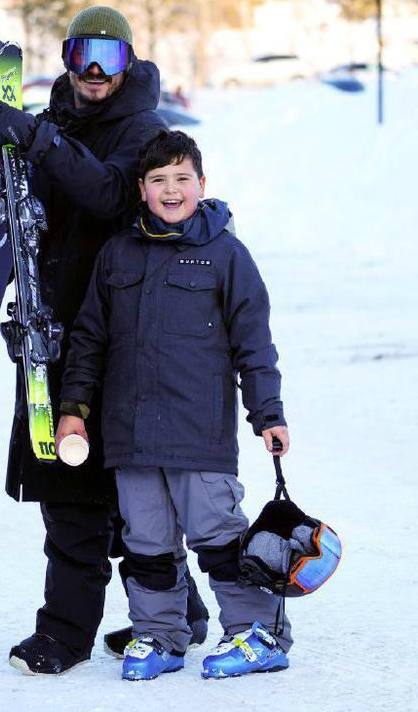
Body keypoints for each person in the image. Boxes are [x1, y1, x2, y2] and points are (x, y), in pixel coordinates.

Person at [0, 6, 209, 674]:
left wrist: (40, 142)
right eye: (84, 56)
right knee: (101, 487)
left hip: (118, 337)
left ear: (129, 62)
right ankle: (181, 610)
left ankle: (64, 632)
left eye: (110, 58)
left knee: (79, 488)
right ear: (69, 58)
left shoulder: (146, 130)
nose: (97, 73)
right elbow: (31, 220)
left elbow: (111, 195)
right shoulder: (56, 123)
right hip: (57, 330)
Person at [56, 130, 293, 681]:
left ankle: (259, 635)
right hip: (130, 435)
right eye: (158, 180)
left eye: (181, 179)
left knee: (220, 538)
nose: (170, 190)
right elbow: (90, 338)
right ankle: (160, 636)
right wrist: (75, 408)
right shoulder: (117, 254)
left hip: (198, 433)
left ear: (201, 184)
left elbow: (254, 343)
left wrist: (269, 413)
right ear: (141, 188)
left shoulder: (226, 255)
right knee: (147, 545)